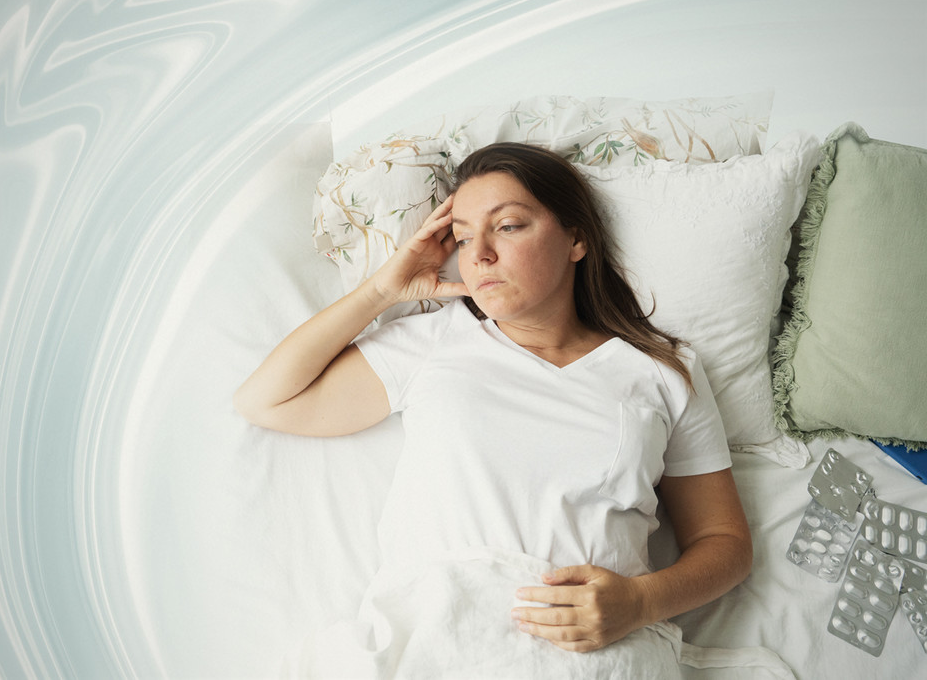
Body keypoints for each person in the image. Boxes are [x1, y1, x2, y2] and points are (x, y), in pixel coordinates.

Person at [235, 142, 752, 677]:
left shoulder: (661, 371)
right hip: (441, 641)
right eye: (462, 238)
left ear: (576, 239)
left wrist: (641, 602)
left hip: (593, 656)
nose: (478, 253)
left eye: (507, 226)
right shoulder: (435, 341)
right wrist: (383, 290)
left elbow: (725, 543)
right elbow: (266, 400)